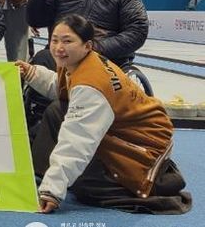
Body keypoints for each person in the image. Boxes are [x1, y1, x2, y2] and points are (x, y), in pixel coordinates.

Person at [16, 14, 191, 214]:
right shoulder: (80, 63)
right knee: (58, 109)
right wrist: (32, 73)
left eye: (67, 41)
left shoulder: (91, 85)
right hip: (129, 129)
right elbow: (64, 87)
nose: (58, 48)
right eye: (54, 40)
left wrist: (52, 190)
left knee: (86, 187)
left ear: (87, 46)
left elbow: (77, 141)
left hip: (146, 145)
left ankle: (138, 178)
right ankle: (44, 173)